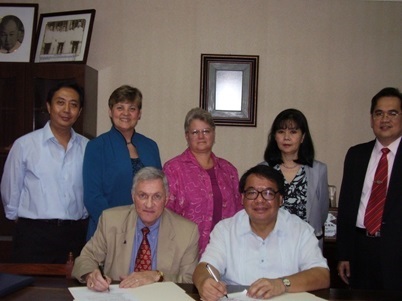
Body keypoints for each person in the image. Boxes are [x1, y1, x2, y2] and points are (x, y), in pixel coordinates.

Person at [193, 165, 329, 301]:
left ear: (280, 199)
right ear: (242, 198)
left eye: (268, 193)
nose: (259, 200)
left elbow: (322, 275)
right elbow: (205, 267)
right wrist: (204, 282)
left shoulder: (300, 230)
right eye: (252, 193)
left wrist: (282, 284)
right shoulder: (225, 230)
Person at [1, 81, 89, 263]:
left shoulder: (88, 147)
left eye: (73, 105)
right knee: (30, 289)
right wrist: (20, 221)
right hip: (34, 235)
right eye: (60, 102)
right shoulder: (25, 145)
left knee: (71, 289)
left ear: (79, 112)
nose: (66, 110)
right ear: (49, 106)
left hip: (75, 234)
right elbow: (10, 189)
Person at [72, 167, 199, 292]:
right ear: (133, 197)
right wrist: (91, 274)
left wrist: (157, 276)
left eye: (157, 196)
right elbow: (85, 258)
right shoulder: (111, 220)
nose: (149, 204)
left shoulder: (187, 232)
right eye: (143, 195)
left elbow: (190, 280)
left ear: (166, 199)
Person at [337, 87, 402, 290]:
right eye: (378, 113)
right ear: (371, 118)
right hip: (360, 249)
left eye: (393, 113)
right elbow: (346, 207)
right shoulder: (356, 155)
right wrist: (343, 254)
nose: (385, 119)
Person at [83, 85, 161, 239]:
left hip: (147, 232)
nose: (126, 113)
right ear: (110, 111)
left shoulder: (150, 146)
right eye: (120, 107)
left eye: (132, 108)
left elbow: (160, 191)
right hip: (108, 232)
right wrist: (119, 228)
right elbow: (93, 197)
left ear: (139, 114)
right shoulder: (96, 146)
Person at [163, 107, 242, 255]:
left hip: (225, 250)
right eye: (195, 132)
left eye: (206, 131)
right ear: (187, 136)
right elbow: (166, 214)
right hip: (185, 251)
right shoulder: (173, 169)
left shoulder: (228, 170)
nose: (201, 136)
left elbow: (239, 212)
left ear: (213, 133)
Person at [262, 108, 328, 249]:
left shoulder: (318, 170)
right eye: (281, 132)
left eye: (293, 132)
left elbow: (322, 213)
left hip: (307, 245)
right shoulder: (263, 170)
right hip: (271, 244)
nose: (286, 137)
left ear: (303, 137)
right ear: (274, 136)